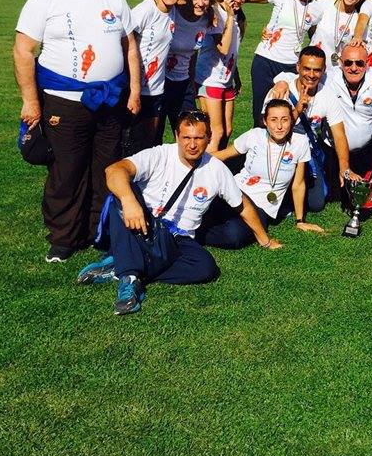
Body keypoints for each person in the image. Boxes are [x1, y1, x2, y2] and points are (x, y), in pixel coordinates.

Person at [13, 0, 141, 263]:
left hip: (110, 100)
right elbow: (23, 51)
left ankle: (98, 231)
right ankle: (64, 238)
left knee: (105, 169)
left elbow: (130, 46)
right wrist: (30, 100)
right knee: (66, 171)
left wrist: (135, 90)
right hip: (63, 102)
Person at [78, 111, 275, 315]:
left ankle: (123, 263)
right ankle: (129, 279)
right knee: (120, 197)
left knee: (205, 268)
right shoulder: (160, 155)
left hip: (178, 237)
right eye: (186, 137)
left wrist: (265, 240)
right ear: (176, 136)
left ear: (209, 138)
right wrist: (129, 201)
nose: (192, 144)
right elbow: (114, 170)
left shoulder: (217, 169)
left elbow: (243, 205)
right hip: (144, 225)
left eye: (199, 138)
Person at [209, 99, 325, 246]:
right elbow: (223, 155)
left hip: (261, 207)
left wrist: (300, 220)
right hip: (235, 191)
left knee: (234, 236)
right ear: (265, 121)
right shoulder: (254, 135)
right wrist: (192, 159)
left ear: (292, 121)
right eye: (273, 120)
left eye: (284, 120)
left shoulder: (300, 142)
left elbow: (298, 184)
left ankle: (199, 235)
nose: (279, 126)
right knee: (207, 210)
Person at [247, 0, 324, 126]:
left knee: (286, 117)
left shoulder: (317, 8)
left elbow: (313, 35)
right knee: (261, 116)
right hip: (265, 61)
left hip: (291, 66)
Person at [320, 42, 372, 189]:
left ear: (367, 64)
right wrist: (281, 83)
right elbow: (301, 77)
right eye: (348, 63)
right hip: (332, 148)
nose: (354, 68)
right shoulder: (329, 77)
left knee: (357, 190)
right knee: (332, 192)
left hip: (364, 151)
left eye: (359, 63)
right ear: (340, 63)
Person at [265, 46, 330, 213]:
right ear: (298, 67)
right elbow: (273, 130)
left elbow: (339, 132)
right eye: (306, 68)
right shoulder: (281, 91)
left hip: (307, 151)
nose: (311, 74)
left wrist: (345, 168)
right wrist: (298, 109)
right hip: (279, 148)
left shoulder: (326, 92)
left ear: (324, 70)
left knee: (316, 204)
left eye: (317, 70)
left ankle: (297, 186)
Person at [129, 0, 185, 150]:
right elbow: (124, 40)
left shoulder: (173, 10)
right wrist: (132, 87)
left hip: (156, 90)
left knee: (150, 144)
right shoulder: (147, 9)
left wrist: (212, 12)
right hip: (136, 90)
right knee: (132, 145)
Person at [195, 0, 248, 149]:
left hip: (226, 80)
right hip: (210, 79)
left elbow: (232, 52)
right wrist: (230, 17)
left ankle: (218, 163)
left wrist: (236, 76)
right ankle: (205, 165)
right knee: (215, 132)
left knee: (227, 130)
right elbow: (223, 48)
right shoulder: (215, 13)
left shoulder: (239, 16)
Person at [161, 0, 213, 137]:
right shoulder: (171, 13)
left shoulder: (206, 19)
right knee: (153, 135)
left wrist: (192, 83)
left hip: (183, 85)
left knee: (191, 134)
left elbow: (192, 54)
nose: (200, 3)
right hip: (159, 82)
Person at [312, 0, 368, 68]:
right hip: (313, 66)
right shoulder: (324, 4)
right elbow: (309, 26)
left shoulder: (359, 20)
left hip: (337, 70)